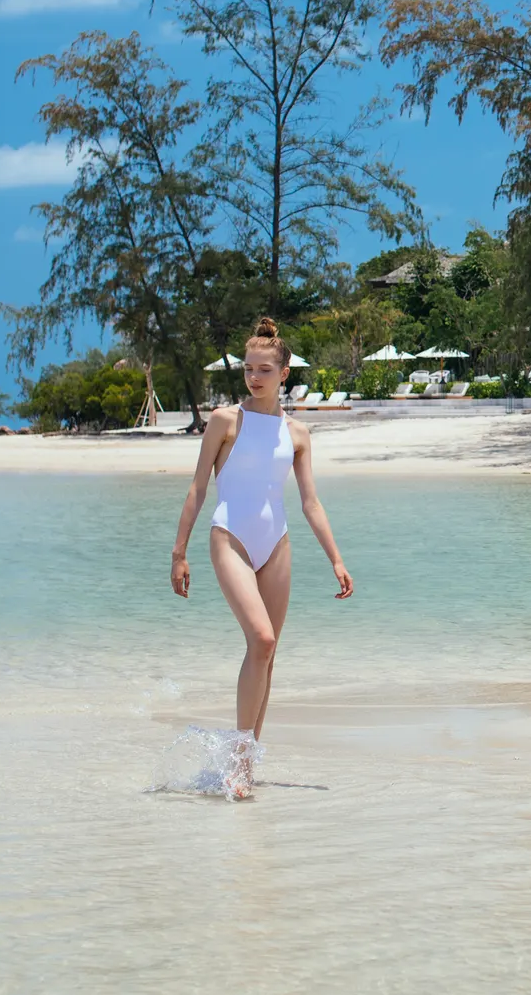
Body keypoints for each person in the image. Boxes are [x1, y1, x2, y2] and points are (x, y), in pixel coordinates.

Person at [171, 317, 353, 797]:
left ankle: (245, 766)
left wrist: (335, 559)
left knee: (267, 655)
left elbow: (311, 503)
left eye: (264, 369)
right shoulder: (225, 421)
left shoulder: (297, 433)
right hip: (229, 536)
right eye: (249, 368)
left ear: (284, 373)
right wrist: (178, 552)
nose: (254, 376)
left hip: (277, 543)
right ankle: (236, 758)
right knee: (262, 637)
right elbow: (198, 487)